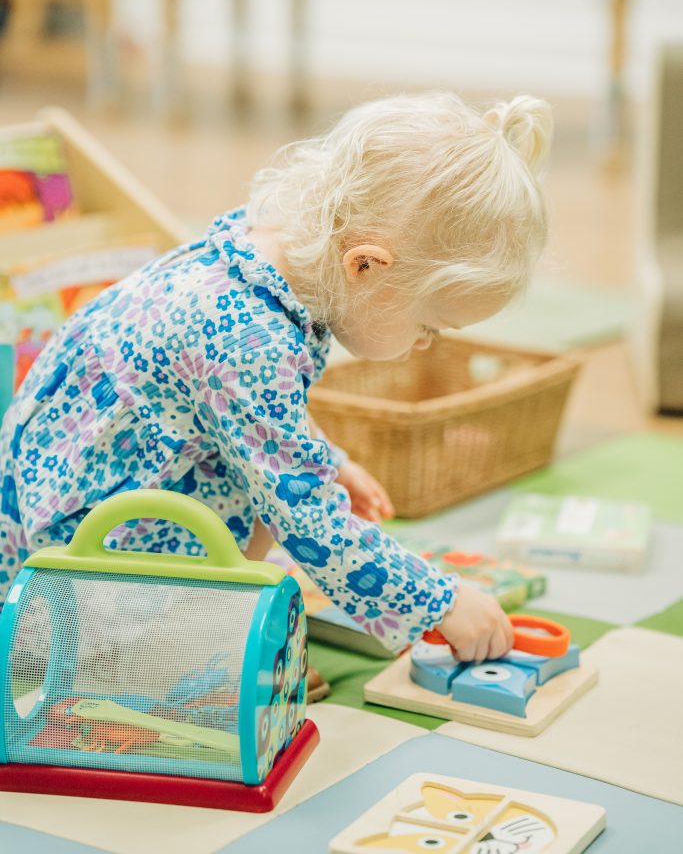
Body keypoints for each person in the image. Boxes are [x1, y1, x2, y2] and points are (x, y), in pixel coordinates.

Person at [0, 91, 552, 661]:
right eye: (429, 325)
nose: (423, 344)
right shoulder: (249, 338)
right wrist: (440, 600)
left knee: (274, 489)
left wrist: (329, 459)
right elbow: (306, 515)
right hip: (70, 564)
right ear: (365, 265)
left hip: (64, 491)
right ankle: (149, 668)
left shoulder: (260, 250)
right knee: (281, 507)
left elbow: (244, 414)